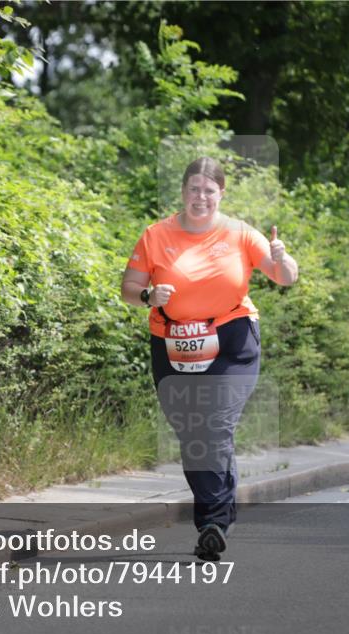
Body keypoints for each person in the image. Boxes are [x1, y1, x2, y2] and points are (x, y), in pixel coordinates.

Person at [121, 157, 298, 560]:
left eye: (209, 190)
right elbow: (128, 287)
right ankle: (219, 511)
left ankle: (213, 524)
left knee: (215, 424)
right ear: (183, 191)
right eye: (193, 189)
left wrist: (281, 257)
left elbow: (285, 277)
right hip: (171, 340)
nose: (200, 197)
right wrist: (148, 295)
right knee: (192, 431)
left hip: (232, 337)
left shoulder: (240, 233)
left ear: (221, 194)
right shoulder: (155, 235)